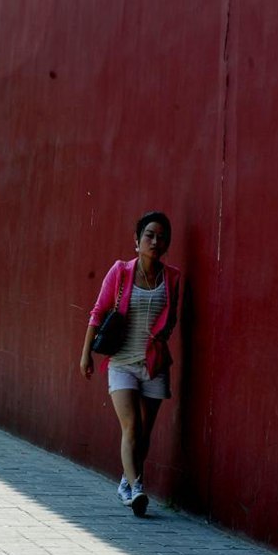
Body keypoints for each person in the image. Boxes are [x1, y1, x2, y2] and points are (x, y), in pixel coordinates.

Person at [79, 211, 181, 516]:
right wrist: (86, 354)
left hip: (153, 363)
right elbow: (98, 312)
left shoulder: (172, 278)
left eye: (161, 236)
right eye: (149, 235)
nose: (155, 240)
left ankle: (127, 479)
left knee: (145, 432)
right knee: (131, 425)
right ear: (136, 241)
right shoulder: (121, 271)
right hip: (121, 361)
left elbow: (171, 318)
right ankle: (137, 488)